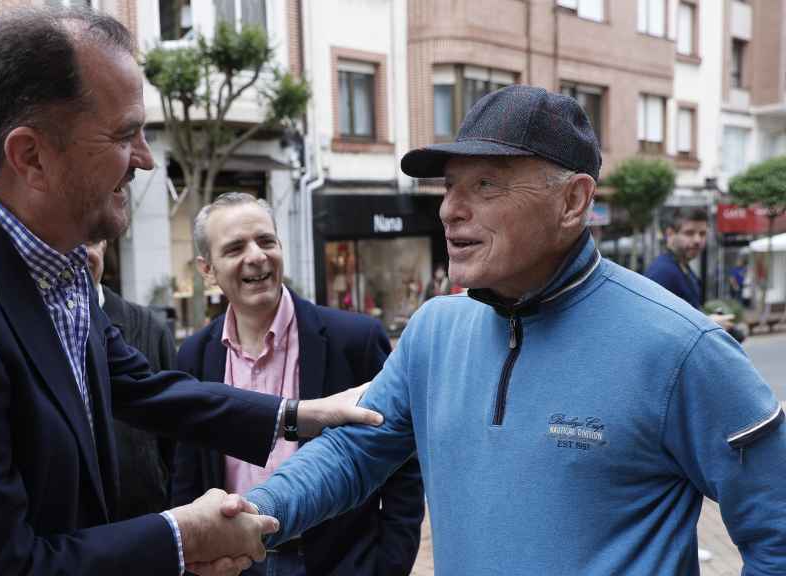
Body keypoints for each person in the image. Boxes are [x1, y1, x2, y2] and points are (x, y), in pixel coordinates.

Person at [0, 8, 381, 575]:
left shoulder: (44, 249)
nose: (146, 158)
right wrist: (181, 537)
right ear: (30, 156)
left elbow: (132, 382)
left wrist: (297, 414)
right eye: (124, 134)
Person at [238, 85, 786, 574]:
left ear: (573, 202)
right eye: (450, 186)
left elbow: (777, 537)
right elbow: (352, 453)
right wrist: (255, 516)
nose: (450, 209)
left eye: (486, 184)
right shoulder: (434, 330)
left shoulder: (682, 349)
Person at [173, 193, 425, 576]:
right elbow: (186, 473)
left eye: (266, 241)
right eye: (236, 247)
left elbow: (401, 463)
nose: (256, 255)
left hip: (336, 562)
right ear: (207, 270)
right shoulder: (194, 355)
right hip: (235, 565)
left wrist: (386, 566)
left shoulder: (353, 340)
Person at [86, 240, 177, 519]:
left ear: (103, 243)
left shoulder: (150, 329)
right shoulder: (26, 328)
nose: (78, 251)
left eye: (88, 239)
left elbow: (174, 438)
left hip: (146, 526)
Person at [645, 208, 745, 342]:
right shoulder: (662, 271)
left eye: (702, 234)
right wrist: (707, 324)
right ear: (670, 234)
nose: (698, 240)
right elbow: (653, 326)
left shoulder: (683, 266)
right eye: (689, 233)